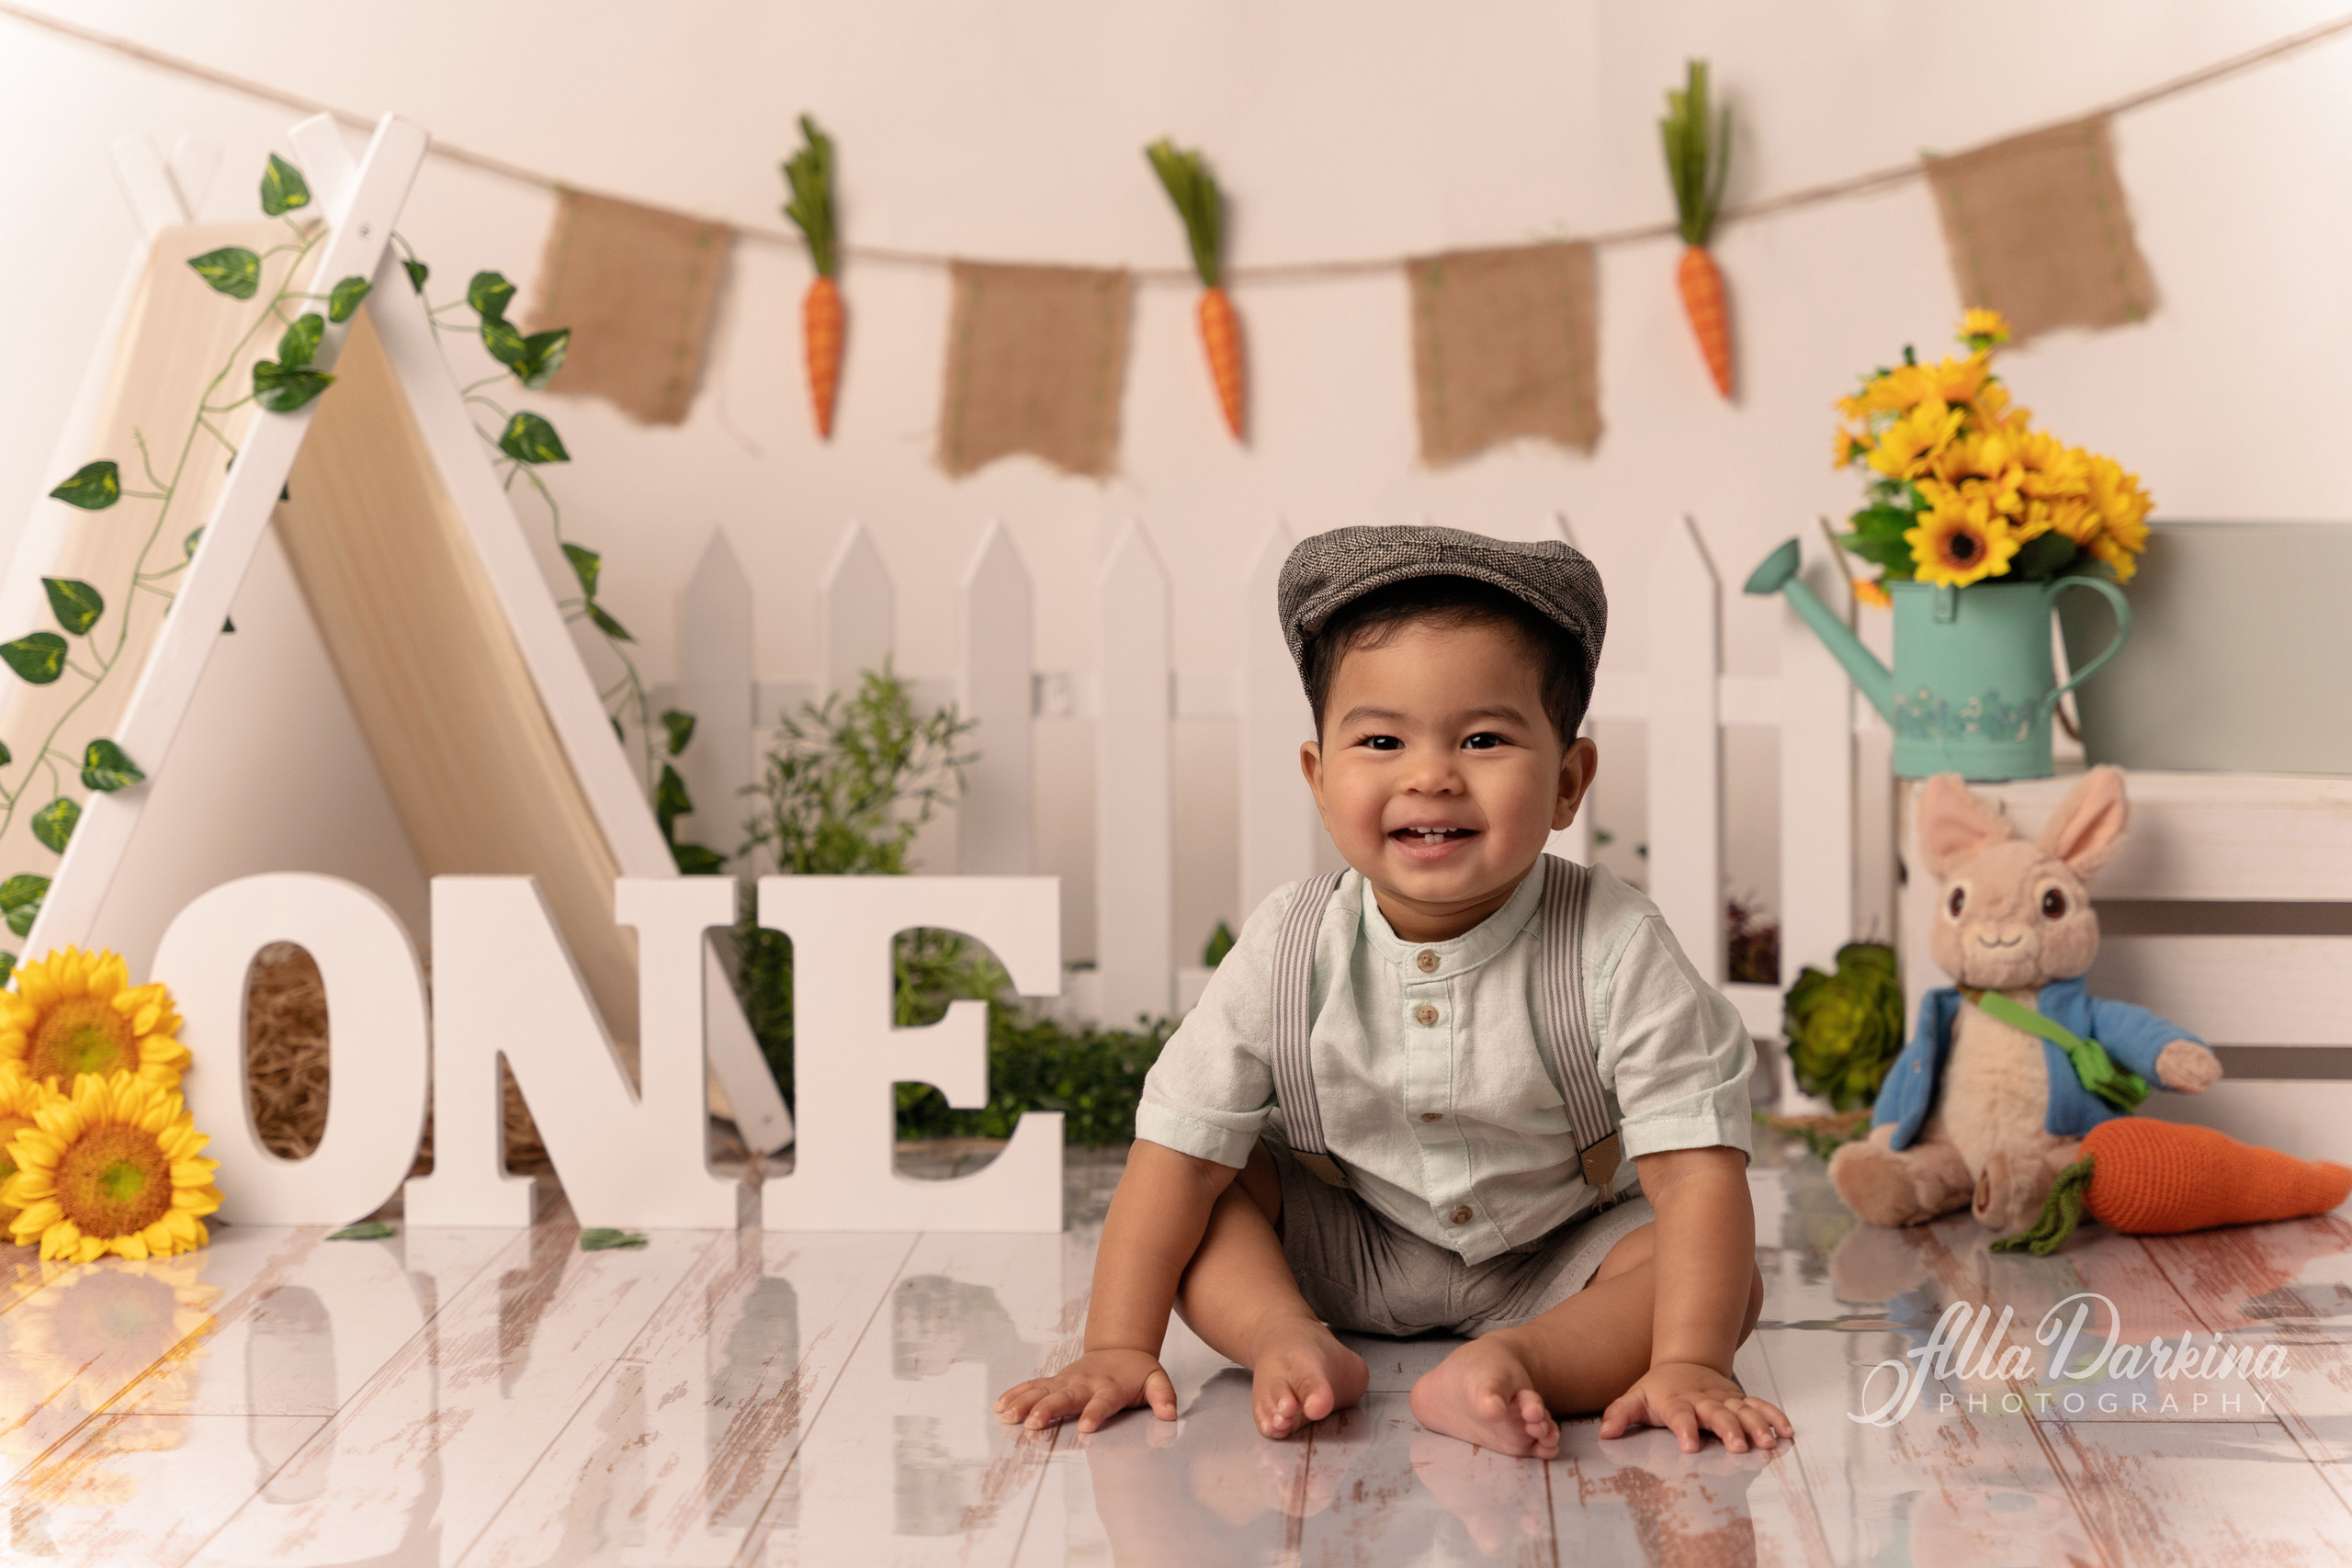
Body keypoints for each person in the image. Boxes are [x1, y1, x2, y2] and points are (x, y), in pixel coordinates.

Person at [994, 525, 1792, 1460]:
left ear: (1568, 783)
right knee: (1212, 1183)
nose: (1429, 775)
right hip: (1348, 1246)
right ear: (1320, 778)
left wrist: (1692, 1360)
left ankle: (1518, 1362)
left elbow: (1693, 1172)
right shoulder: (1288, 945)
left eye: (1484, 738)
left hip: (1559, 1255)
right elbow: (1174, 1153)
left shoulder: (1616, 946)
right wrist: (1117, 1346)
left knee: (1717, 1279)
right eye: (1380, 739)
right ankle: (1284, 1337)